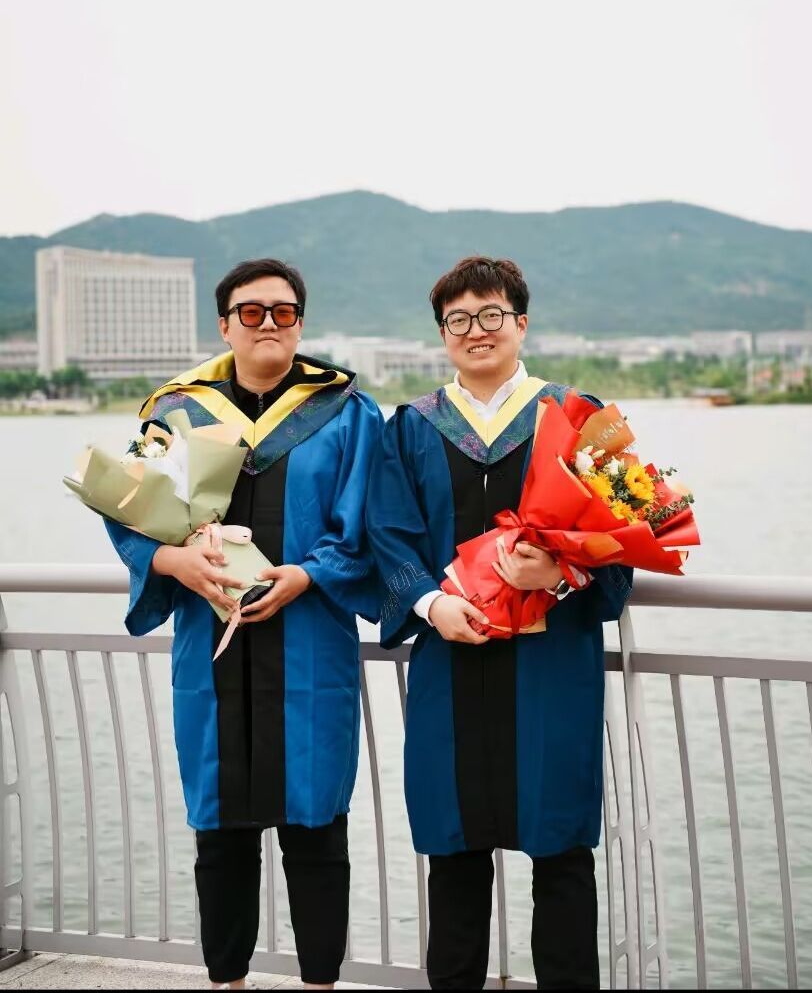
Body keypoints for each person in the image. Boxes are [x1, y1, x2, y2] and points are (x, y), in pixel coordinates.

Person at [105, 258, 381, 991]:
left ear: (300, 324)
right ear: (224, 324)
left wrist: (308, 575)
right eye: (250, 312)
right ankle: (225, 981)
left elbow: (365, 528)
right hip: (212, 645)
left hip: (309, 645)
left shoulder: (348, 412)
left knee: (317, 829)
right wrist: (171, 562)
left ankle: (320, 983)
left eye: (283, 312)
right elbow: (127, 511)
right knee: (221, 833)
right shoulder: (175, 412)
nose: (268, 324)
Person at [366, 256, 632, 990]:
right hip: (451, 660)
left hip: (552, 664)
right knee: (454, 855)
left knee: (562, 854)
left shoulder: (579, 417)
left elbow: (626, 535)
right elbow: (387, 535)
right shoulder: (410, 427)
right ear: (441, 333)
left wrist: (563, 574)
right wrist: (430, 604)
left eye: (491, 314)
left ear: (521, 322)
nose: (475, 330)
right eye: (457, 319)